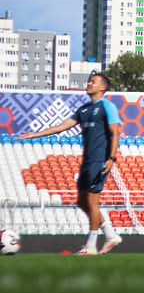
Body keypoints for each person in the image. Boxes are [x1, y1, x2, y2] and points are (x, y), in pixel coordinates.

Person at [16, 73, 123, 255]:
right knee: (81, 201)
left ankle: (90, 246)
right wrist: (34, 134)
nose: (89, 83)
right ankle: (110, 234)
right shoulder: (83, 109)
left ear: (102, 88)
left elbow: (115, 133)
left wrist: (111, 158)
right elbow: (61, 126)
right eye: (89, 81)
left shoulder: (107, 106)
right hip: (87, 161)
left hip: (99, 159)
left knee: (91, 200)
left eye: (93, 81)